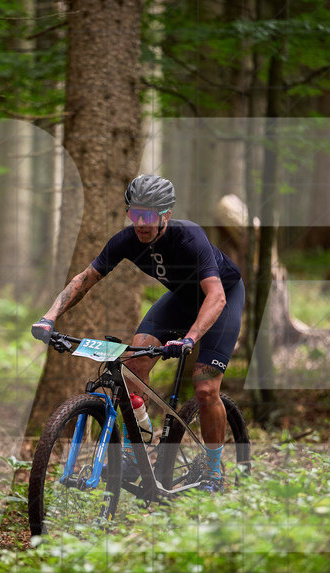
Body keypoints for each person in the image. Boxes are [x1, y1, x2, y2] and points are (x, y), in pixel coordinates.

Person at [31, 174, 245, 491]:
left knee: (205, 389)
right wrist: (49, 318)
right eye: (134, 214)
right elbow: (86, 279)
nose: (140, 223)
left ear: (165, 216)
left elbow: (216, 296)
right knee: (131, 371)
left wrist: (189, 339)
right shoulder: (127, 240)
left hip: (221, 300)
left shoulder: (189, 237)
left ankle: (214, 472)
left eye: (148, 216)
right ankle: (137, 450)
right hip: (180, 301)